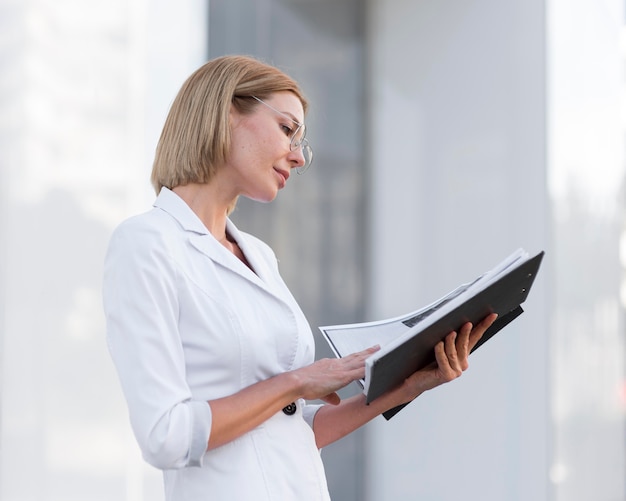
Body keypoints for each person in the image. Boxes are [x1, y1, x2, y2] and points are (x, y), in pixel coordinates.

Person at [102, 54, 497, 501]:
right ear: (227, 113)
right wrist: (297, 381)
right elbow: (166, 436)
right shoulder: (147, 243)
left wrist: (403, 388)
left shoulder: (259, 256)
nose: (299, 156)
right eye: (288, 129)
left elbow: (286, 430)